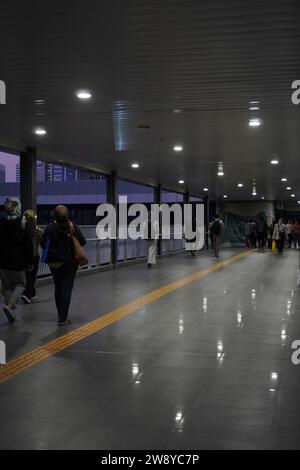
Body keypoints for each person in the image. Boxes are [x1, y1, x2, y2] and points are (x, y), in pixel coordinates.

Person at [41, 205, 86, 326]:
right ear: (67, 214)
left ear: (55, 215)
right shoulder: (72, 226)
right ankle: (63, 318)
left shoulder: (51, 226)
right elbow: (83, 241)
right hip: (70, 262)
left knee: (58, 287)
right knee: (66, 288)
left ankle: (60, 315)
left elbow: (42, 243)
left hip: (54, 263)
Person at [0, 198, 34, 323]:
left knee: (7, 287)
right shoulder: (23, 222)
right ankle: (9, 307)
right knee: (21, 284)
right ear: (18, 207)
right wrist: (30, 262)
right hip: (18, 259)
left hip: (2, 260)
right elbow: (28, 244)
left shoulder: (1, 221)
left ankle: (11, 312)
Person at [21, 210, 43, 304]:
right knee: (32, 276)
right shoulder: (38, 230)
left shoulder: (21, 229)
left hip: (24, 255)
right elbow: (42, 243)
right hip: (35, 256)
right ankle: (27, 295)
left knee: (26, 275)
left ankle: (32, 293)